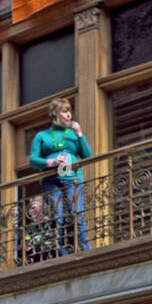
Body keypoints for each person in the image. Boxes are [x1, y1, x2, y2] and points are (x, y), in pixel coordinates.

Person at [29, 99, 92, 256]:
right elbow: (33, 160)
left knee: (77, 214)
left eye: (69, 111)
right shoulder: (42, 136)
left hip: (72, 177)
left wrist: (80, 134)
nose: (69, 114)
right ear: (55, 114)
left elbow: (87, 154)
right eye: (64, 111)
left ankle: (86, 249)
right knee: (58, 217)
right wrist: (51, 162)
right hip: (51, 180)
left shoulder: (72, 134)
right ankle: (61, 252)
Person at [22, 195, 54, 264]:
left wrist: (36, 240)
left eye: (33, 208)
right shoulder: (31, 226)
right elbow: (27, 237)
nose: (31, 211)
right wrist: (27, 242)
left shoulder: (49, 221)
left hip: (49, 255)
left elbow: (50, 235)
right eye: (30, 209)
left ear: (41, 208)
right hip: (35, 257)